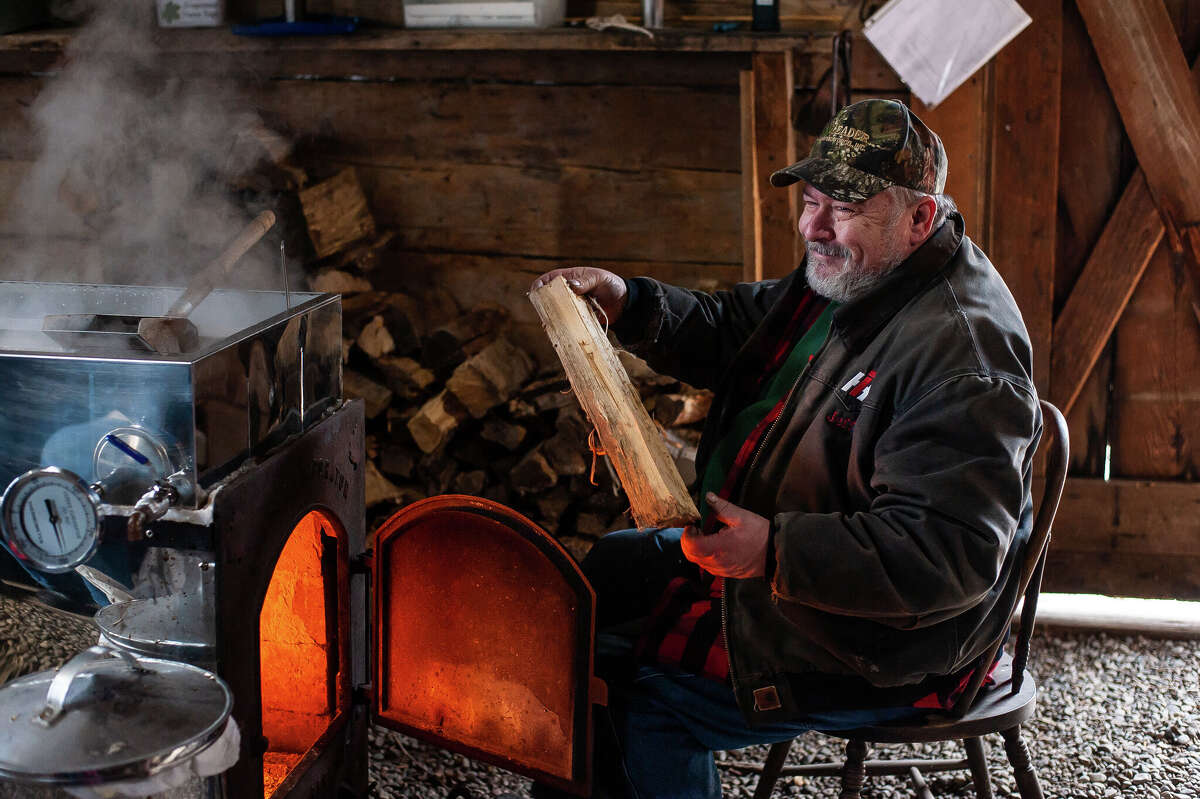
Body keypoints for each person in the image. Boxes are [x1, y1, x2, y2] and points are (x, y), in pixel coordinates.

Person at [530, 98, 1041, 799]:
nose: (815, 227)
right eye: (811, 200)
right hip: (780, 553)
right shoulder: (862, 269)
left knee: (639, 698)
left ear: (920, 217)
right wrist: (630, 303)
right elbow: (735, 328)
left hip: (880, 638)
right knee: (595, 583)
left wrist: (773, 551)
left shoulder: (963, 355)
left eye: (846, 208)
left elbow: (949, 558)